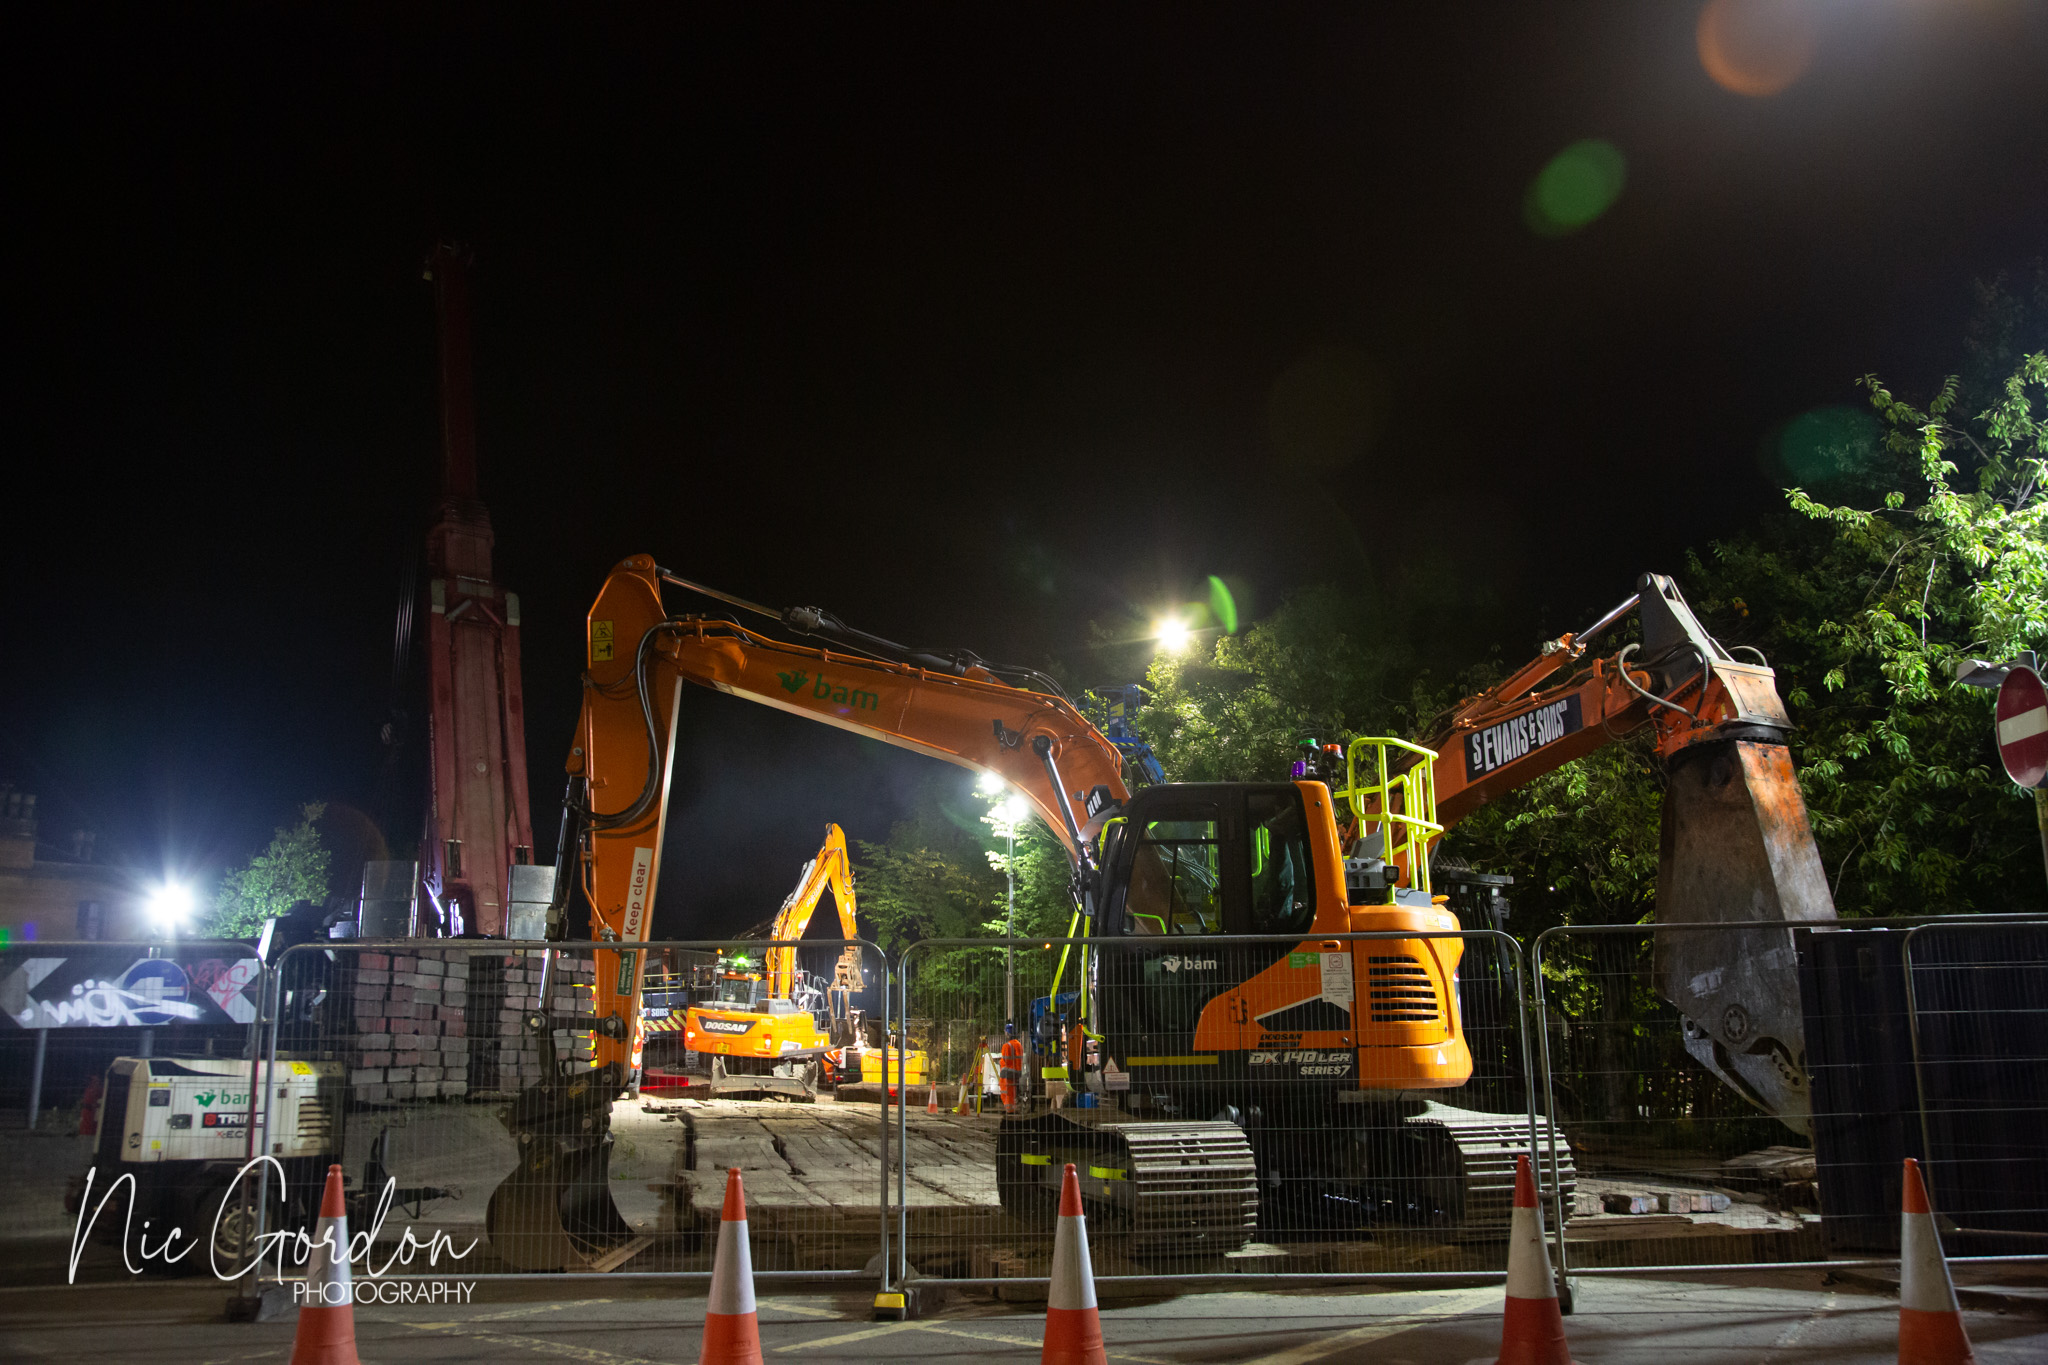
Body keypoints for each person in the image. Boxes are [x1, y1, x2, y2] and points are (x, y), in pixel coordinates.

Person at [998, 1021, 1025, 1111]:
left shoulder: (1007, 1046)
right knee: (1012, 1092)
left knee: (1006, 1091)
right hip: (1016, 1072)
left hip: (1007, 1073)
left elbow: (1005, 1060)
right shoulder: (1019, 1044)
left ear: (1008, 1034)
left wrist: (1000, 1062)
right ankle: (1012, 1108)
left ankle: (1009, 1109)